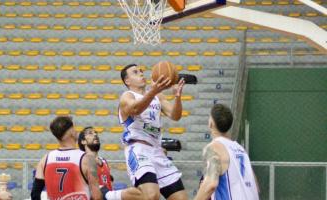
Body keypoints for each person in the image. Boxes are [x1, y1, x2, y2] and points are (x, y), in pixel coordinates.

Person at [118, 63, 187, 200]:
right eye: (135, 72)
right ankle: (114, 195)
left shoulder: (157, 97)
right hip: (138, 148)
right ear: (127, 81)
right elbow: (135, 109)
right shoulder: (127, 96)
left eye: (142, 71)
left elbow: (175, 115)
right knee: (151, 196)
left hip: (157, 150)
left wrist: (177, 97)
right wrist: (153, 91)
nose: (141, 73)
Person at [194, 104, 259, 200]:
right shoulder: (241, 149)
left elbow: (211, 185)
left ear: (211, 123)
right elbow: (256, 186)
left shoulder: (213, 148)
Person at [31, 116, 102, 200]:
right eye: (74, 128)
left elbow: (35, 194)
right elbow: (96, 196)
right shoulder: (88, 159)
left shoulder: (45, 159)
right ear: (71, 132)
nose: (76, 131)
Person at [78, 126, 145, 200]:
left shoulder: (103, 161)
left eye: (95, 133)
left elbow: (109, 183)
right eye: (90, 133)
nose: (95, 135)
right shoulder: (82, 162)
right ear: (83, 141)